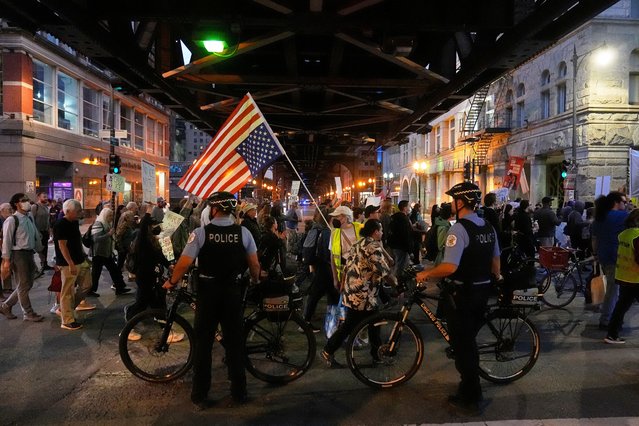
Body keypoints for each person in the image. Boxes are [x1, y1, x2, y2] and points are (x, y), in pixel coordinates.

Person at [163, 192, 260, 410]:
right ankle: (239, 392)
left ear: (214, 210)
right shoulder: (243, 232)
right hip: (232, 293)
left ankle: (200, 394)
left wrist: (172, 281)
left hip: (208, 293)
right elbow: (254, 265)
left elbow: (184, 263)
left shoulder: (200, 233)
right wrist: (254, 280)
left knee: (203, 344)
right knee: (234, 343)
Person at [415, 182, 500, 415]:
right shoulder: (488, 227)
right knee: (467, 341)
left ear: (460, 202)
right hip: (481, 292)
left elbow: (450, 267)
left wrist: (426, 274)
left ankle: (472, 397)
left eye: (453, 200)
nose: (451, 204)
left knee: (464, 347)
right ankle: (467, 388)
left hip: (462, 295)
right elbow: (496, 263)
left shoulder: (459, 230)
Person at [321, 219, 397, 367]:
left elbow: (348, 265)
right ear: (375, 232)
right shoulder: (372, 246)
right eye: (380, 230)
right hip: (363, 296)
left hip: (353, 292)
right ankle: (328, 350)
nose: (382, 232)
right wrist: (396, 284)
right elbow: (384, 271)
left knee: (372, 323)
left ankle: (376, 354)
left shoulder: (357, 244)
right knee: (355, 325)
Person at [124, 214, 173, 340]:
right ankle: (128, 327)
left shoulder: (145, 238)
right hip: (146, 276)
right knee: (143, 303)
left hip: (147, 276)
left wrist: (168, 264)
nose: (157, 227)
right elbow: (156, 256)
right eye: (153, 225)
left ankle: (166, 332)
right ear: (149, 227)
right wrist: (168, 264)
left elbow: (158, 255)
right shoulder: (145, 241)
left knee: (155, 303)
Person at [0, 193, 44, 322]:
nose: (27, 202)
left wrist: (39, 248)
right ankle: (28, 313)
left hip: (29, 253)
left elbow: (34, 234)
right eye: (23, 200)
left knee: (27, 284)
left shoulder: (29, 217)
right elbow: (7, 241)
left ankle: (6, 306)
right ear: (16, 204)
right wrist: (6, 260)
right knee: (24, 285)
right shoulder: (12, 220)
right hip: (18, 255)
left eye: (27, 200)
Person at [53, 199, 94, 330]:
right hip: (67, 263)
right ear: (68, 211)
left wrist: (84, 256)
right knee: (67, 291)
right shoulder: (60, 224)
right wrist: (70, 263)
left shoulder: (74, 222)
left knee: (87, 285)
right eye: (78, 211)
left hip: (80, 260)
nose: (80, 213)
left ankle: (66, 309)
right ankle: (67, 320)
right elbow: (62, 245)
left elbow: (77, 241)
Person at [592, 191, 629, 329]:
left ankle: (611, 316)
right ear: (616, 203)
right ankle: (606, 320)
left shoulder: (599, 218)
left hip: (603, 256)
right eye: (623, 202)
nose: (625, 205)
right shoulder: (621, 216)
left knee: (613, 288)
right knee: (613, 290)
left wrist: (595, 254)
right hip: (616, 256)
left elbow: (594, 239)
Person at [604, 209, 639, 344]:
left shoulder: (623, 234)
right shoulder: (637, 235)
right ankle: (612, 334)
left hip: (624, 276)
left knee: (621, 306)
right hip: (635, 277)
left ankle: (612, 334)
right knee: (622, 306)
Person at [302, 207, 335, 332]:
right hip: (324, 266)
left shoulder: (319, 229)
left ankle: (329, 323)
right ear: (331, 218)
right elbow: (326, 252)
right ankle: (307, 323)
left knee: (319, 294)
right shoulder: (326, 232)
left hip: (320, 265)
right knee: (322, 294)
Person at [90, 208, 131, 296]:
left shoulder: (106, 224)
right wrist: (109, 234)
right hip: (98, 253)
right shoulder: (98, 223)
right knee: (96, 273)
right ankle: (91, 290)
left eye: (112, 215)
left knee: (113, 270)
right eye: (109, 216)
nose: (111, 217)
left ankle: (119, 287)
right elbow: (96, 239)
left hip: (106, 252)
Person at [328, 206, 363, 290]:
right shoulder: (334, 233)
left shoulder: (360, 228)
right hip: (343, 274)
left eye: (337, 216)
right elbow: (332, 256)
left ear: (346, 217)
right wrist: (335, 278)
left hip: (360, 271)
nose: (334, 219)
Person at [387, 200, 413, 275]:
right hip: (402, 246)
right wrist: (410, 249)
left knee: (399, 264)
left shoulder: (395, 217)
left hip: (395, 244)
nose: (410, 208)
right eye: (409, 206)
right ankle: (397, 282)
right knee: (400, 265)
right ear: (405, 208)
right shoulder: (403, 219)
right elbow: (406, 234)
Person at [31, 191, 51, 273]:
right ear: (39, 197)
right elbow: (31, 220)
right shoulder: (35, 207)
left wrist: (49, 230)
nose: (46, 198)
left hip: (45, 231)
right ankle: (41, 264)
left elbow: (47, 220)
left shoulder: (46, 207)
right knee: (40, 249)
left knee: (45, 248)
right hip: (38, 232)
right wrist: (35, 232)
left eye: (46, 196)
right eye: (44, 197)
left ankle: (45, 264)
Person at [115, 201, 138, 271]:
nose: (136, 210)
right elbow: (121, 230)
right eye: (135, 208)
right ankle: (118, 277)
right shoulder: (129, 214)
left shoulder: (125, 214)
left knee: (122, 260)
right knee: (121, 260)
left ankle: (119, 275)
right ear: (131, 208)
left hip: (122, 241)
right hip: (124, 242)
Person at [0, 203, 13, 297]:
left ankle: (7, 287)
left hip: (7, 246)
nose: (10, 211)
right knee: (4, 268)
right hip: (2, 246)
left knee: (7, 268)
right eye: (9, 209)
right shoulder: (1, 220)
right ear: (2, 210)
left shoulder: (9, 219)